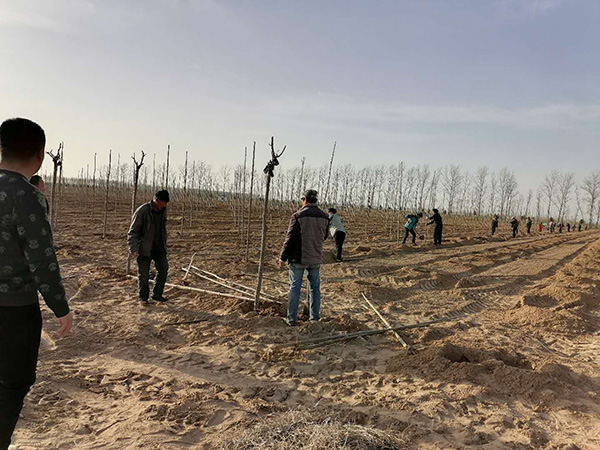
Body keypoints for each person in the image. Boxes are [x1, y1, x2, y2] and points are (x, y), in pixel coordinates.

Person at [0, 118, 73, 449]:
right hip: (13, 311)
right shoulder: (27, 196)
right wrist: (61, 307)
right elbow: (42, 260)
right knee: (11, 385)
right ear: (41, 154)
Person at [279, 190, 329, 326]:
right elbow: (324, 236)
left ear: (304, 200)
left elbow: (290, 239)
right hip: (315, 257)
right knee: (315, 289)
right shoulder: (325, 217)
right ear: (316, 200)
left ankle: (291, 319)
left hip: (298, 258)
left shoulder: (298, 216)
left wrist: (282, 257)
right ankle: (314, 318)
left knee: (295, 288)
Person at [127, 190, 170, 305]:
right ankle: (143, 298)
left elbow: (162, 229)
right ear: (156, 200)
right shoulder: (142, 211)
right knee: (144, 274)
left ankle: (157, 295)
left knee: (163, 268)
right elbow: (133, 232)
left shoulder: (163, 211)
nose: (164, 205)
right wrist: (133, 248)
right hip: (144, 248)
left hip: (159, 248)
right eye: (163, 203)